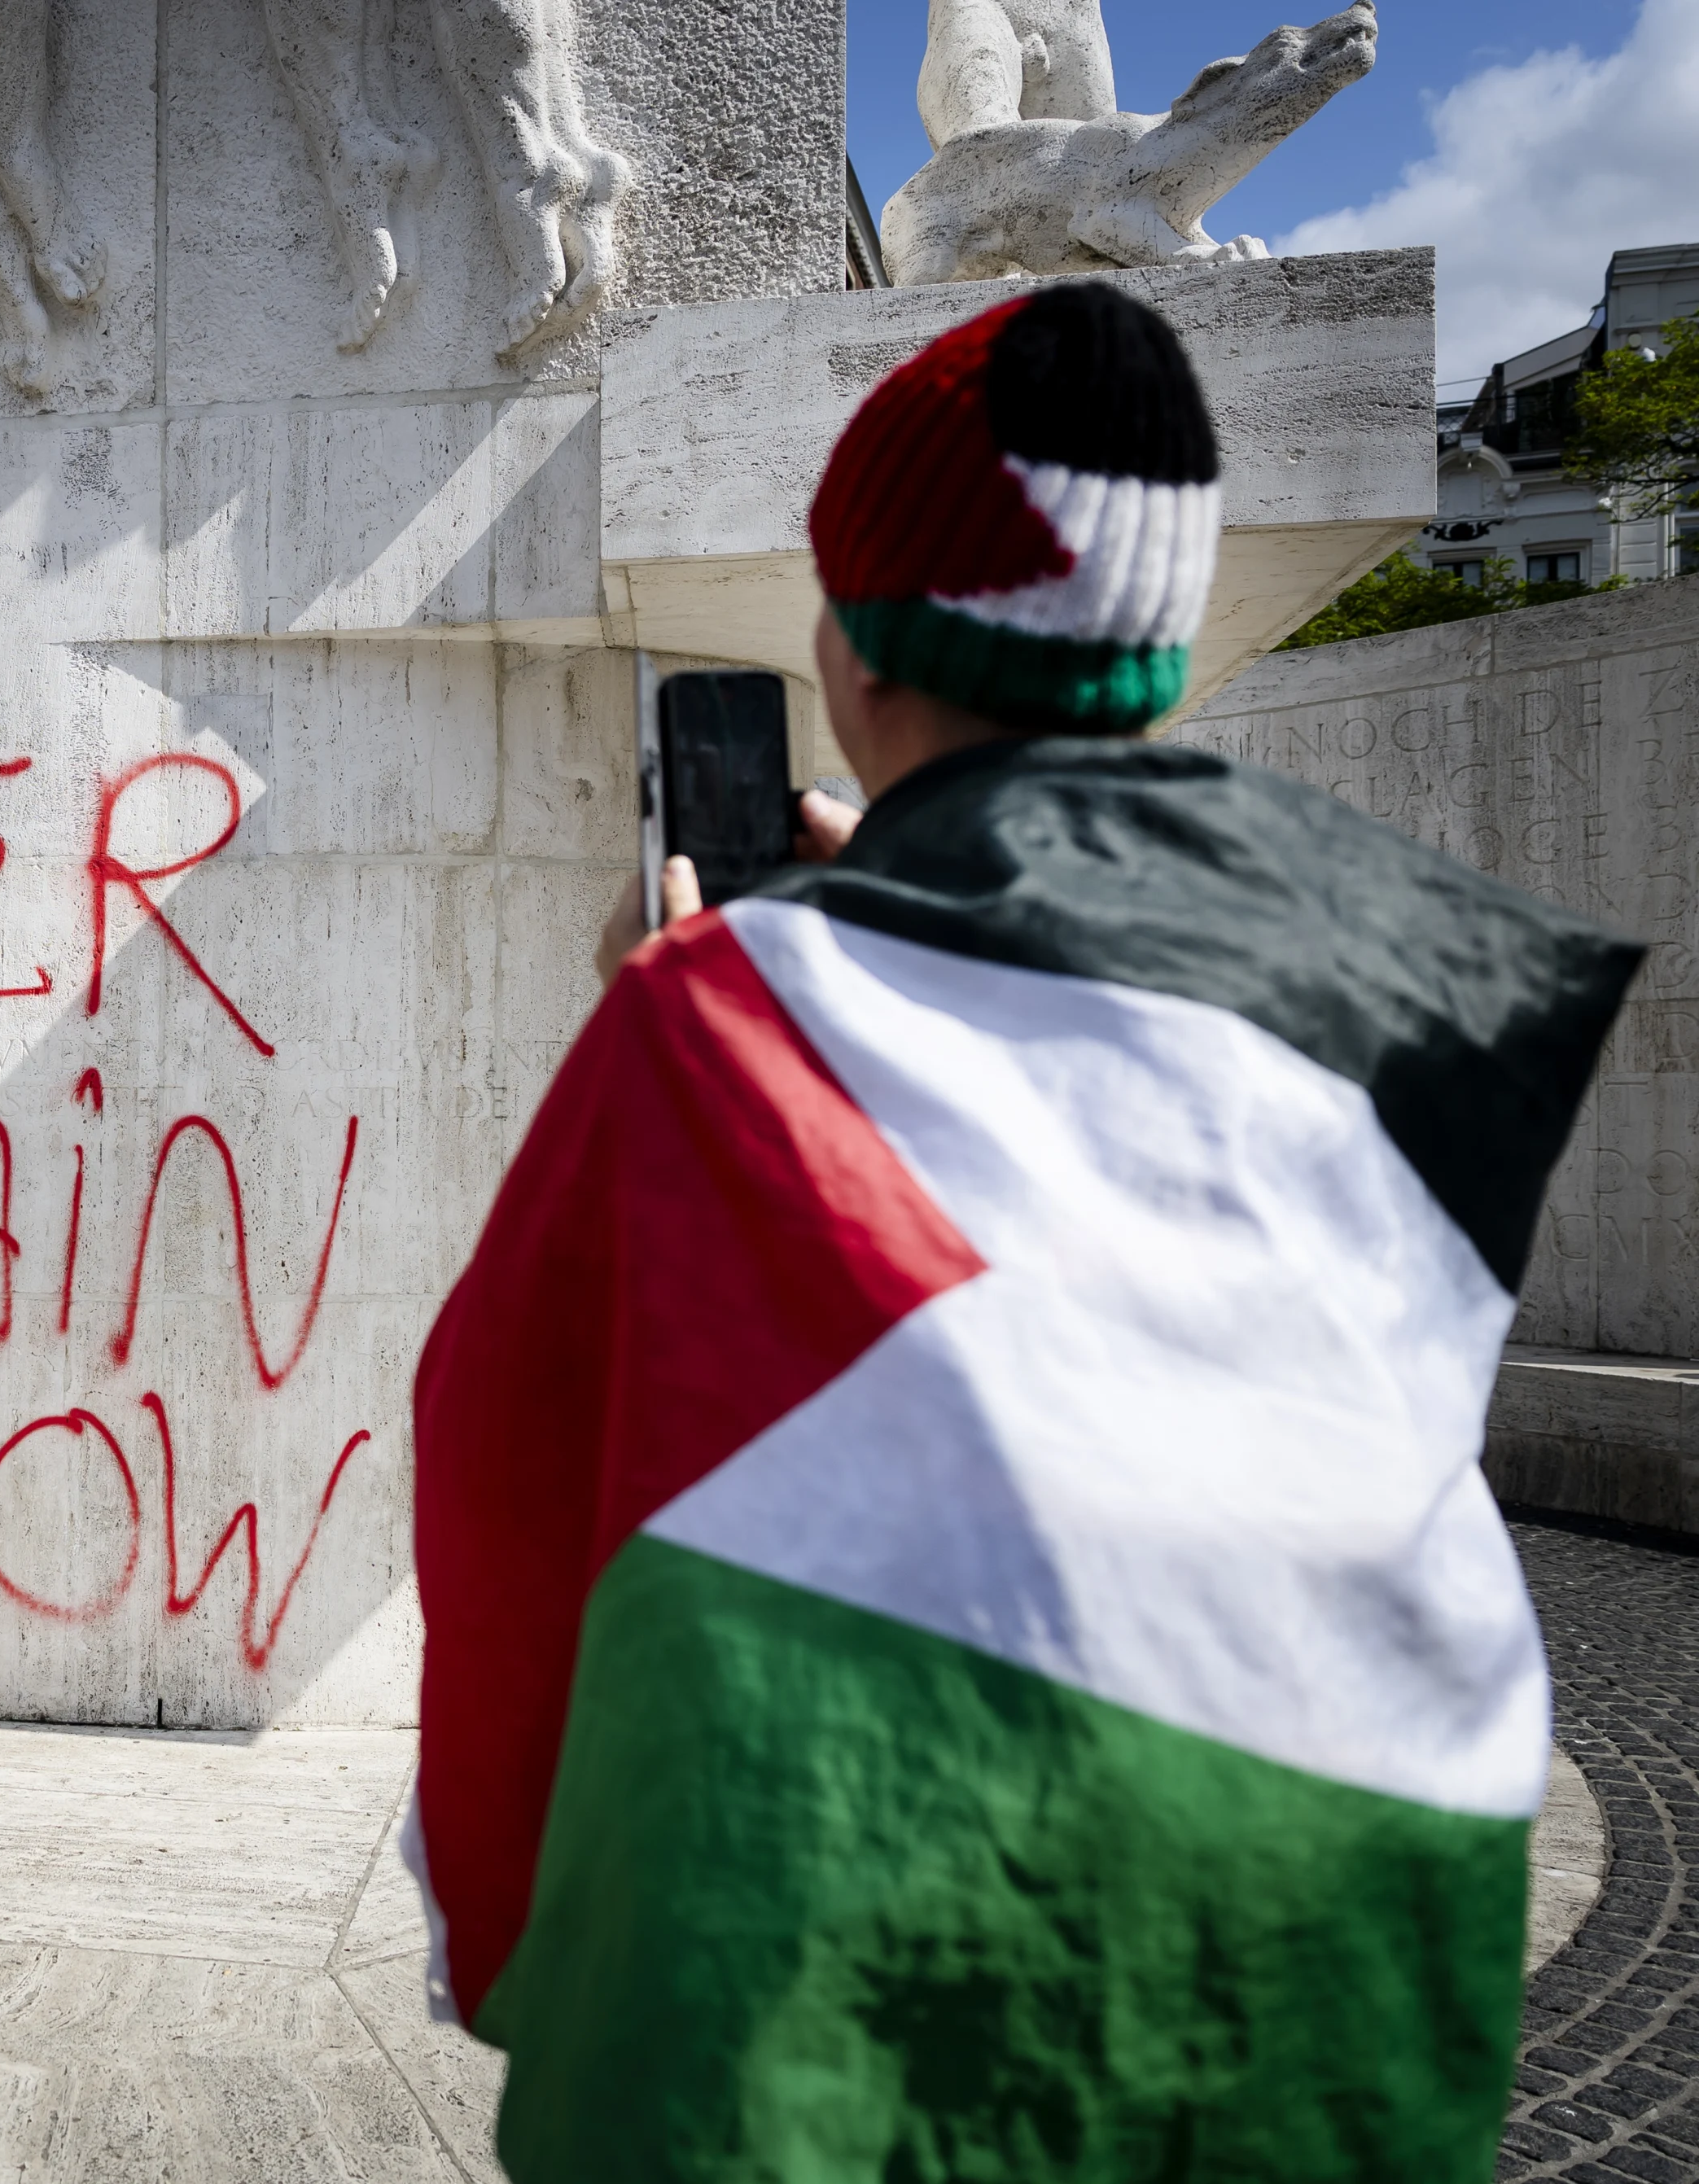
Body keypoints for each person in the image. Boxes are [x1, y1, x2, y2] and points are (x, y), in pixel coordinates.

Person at [408, 284, 1644, 2181]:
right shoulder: (1421, 993)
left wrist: (721, 1002)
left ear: (858, 651)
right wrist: (894, 920)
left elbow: (497, 1480)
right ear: (1145, 648)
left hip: (856, 1965)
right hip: (1346, 1926)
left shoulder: (721, 1017)